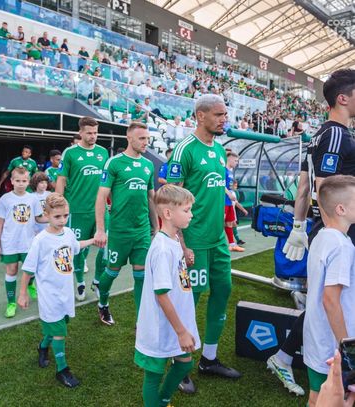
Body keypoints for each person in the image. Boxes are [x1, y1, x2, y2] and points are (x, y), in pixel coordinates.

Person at [269, 69, 355, 396]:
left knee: (325, 300)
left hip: (328, 227)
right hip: (338, 228)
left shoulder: (320, 135)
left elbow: (304, 186)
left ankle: (287, 357)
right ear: (343, 98)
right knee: (334, 300)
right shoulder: (335, 135)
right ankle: (338, 361)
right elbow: (325, 187)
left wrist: (298, 225)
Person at [166, 94, 241, 393]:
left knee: (222, 292)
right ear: (200, 115)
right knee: (189, 300)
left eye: (225, 114)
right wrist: (181, 243)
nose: (224, 119)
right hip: (193, 241)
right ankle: (179, 363)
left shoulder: (220, 150)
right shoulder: (184, 150)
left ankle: (209, 359)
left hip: (217, 240)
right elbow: (170, 201)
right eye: (219, 114)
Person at [17, 193, 94, 388]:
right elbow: (27, 270)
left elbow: (76, 246)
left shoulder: (68, 233)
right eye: (57, 216)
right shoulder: (40, 240)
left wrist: (94, 240)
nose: (62, 220)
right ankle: (62, 370)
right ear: (47, 215)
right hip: (49, 295)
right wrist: (23, 293)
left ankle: (42, 347)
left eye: (65, 216)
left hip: (65, 292)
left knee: (57, 326)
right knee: (59, 331)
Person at [135, 184, 199, 407]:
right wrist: (181, 332)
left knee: (184, 363)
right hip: (160, 326)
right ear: (168, 213)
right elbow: (161, 295)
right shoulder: (162, 249)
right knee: (153, 375)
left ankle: (162, 402)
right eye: (187, 210)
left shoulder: (174, 240)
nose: (191, 214)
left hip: (176, 320)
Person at [94, 121, 158, 324]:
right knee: (111, 273)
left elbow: (151, 198)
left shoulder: (148, 165)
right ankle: (103, 303)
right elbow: (101, 197)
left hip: (142, 230)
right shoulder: (114, 163)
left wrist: (157, 227)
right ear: (129, 138)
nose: (146, 142)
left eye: (147, 138)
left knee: (141, 275)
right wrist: (101, 230)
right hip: (119, 231)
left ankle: (141, 321)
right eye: (142, 138)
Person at [304, 175, 355, 407]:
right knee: (336, 399)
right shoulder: (341, 246)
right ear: (341, 209)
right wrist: (347, 348)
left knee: (317, 396)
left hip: (317, 338)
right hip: (332, 344)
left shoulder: (321, 237)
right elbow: (330, 299)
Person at [55, 117, 109, 302]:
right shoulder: (70, 153)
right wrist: (58, 205)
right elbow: (61, 179)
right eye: (89, 133)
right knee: (77, 249)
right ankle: (79, 282)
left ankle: (97, 281)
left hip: (100, 210)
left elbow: (107, 181)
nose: (93, 136)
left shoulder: (103, 152)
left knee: (107, 246)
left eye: (95, 133)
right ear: (80, 133)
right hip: (77, 210)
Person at [0, 167, 45, 318]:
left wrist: (55, 217)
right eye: (17, 181)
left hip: (28, 242)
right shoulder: (5, 199)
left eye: (24, 181)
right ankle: (11, 303)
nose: (21, 184)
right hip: (10, 242)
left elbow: (38, 218)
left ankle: (30, 284)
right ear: (12, 181)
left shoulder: (33, 199)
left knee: (31, 269)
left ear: (28, 182)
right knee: (12, 270)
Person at [225, 152, 244, 252]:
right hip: (222, 201)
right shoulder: (223, 170)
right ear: (230, 159)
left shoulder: (230, 172)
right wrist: (229, 193)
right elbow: (220, 184)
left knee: (229, 223)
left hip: (229, 202)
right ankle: (218, 245)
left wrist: (232, 191)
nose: (237, 163)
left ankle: (232, 244)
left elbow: (229, 186)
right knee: (220, 224)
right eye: (236, 160)